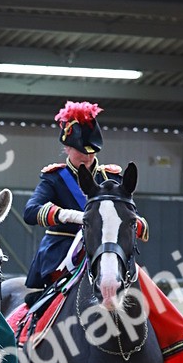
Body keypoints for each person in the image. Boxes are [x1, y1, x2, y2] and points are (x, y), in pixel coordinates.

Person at [24, 101, 149, 294]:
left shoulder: (111, 177)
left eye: (92, 152)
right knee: (42, 304)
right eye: (81, 151)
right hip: (62, 255)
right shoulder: (55, 177)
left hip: (106, 249)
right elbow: (31, 211)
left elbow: (133, 216)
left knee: (145, 290)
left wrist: (133, 223)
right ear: (67, 147)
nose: (88, 158)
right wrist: (68, 215)